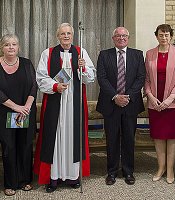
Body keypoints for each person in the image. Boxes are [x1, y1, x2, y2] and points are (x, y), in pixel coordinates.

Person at [33, 23, 96, 193]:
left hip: (74, 103)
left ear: (73, 35)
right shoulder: (48, 53)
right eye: (62, 33)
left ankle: (73, 176)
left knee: (73, 137)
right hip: (56, 102)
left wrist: (83, 68)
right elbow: (40, 78)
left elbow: (90, 77)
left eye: (68, 33)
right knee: (55, 137)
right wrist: (55, 86)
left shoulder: (81, 52)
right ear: (57, 36)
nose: (66, 36)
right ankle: (53, 178)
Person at [96, 27, 145, 185]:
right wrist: (116, 96)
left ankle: (128, 171)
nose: (121, 38)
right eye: (118, 36)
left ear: (128, 38)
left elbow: (141, 77)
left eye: (124, 35)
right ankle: (111, 172)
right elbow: (101, 78)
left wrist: (127, 96)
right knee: (112, 139)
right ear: (113, 38)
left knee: (129, 139)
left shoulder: (137, 55)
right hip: (111, 104)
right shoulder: (104, 55)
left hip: (130, 104)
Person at [145, 24, 175, 184]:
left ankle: (170, 169)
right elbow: (146, 79)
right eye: (161, 35)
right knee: (159, 137)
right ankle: (160, 168)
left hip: (173, 103)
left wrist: (168, 100)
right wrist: (151, 97)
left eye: (167, 35)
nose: (164, 38)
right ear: (156, 36)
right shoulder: (150, 54)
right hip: (155, 103)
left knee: (172, 137)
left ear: (171, 36)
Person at [0, 34, 37, 196]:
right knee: (9, 147)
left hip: (25, 112)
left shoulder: (27, 64)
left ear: (18, 47)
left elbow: (34, 86)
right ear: (2, 47)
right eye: (7, 44)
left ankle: (25, 180)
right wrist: (15, 107)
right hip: (5, 112)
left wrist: (26, 106)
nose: (11, 47)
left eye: (14, 44)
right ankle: (10, 184)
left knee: (25, 145)